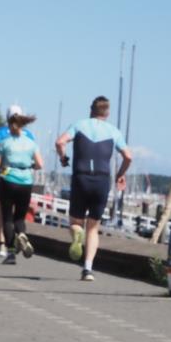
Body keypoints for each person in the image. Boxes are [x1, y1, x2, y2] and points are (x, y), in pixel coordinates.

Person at [55, 96, 132, 281]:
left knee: (75, 222)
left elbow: (59, 142)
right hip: (102, 182)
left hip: (81, 178)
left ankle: (77, 233)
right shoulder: (114, 131)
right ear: (107, 113)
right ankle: (87, 269)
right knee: (93, 227)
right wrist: (121, 174)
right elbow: (128, 156)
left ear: (91, 110)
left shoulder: (79, 125)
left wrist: (63, 157)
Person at [0, 108, 43, 265]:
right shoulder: (31, 144)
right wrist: (30, 166)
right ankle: (21, 233)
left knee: (7, 217)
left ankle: (11, 253)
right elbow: (40, 164)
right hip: (26, 182)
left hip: (8, 180)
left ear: (9, 125)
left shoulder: (4, 143)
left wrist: (2, 170)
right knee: (20, 217)